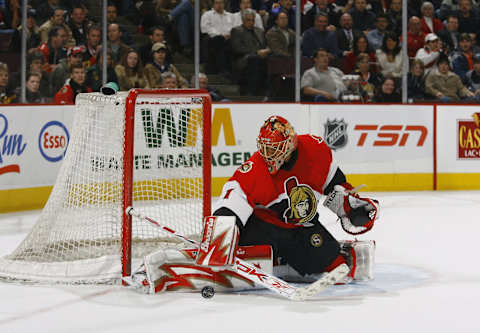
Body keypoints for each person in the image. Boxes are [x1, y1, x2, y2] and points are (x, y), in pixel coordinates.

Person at [213, 115, 379, 280]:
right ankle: (279, 261)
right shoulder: (256, 167)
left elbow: (334, 184)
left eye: (273, 149)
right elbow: (234, 197)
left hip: (302, 228)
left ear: (290, 144)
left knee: (340, 271)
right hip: (264, 228)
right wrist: (221, 233)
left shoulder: (315, 149)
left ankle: (285, 261)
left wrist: (351, 207)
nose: (266, 154)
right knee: (241, 259)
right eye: (264, 148)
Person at [231, 9, 271, 96]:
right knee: (255, 59)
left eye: (253, 20)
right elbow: (237, 48)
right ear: (243, 20)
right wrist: (257, 52)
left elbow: (266, 44)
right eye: (248, 20)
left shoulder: (259, 31)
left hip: (261, 56)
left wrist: (267, 50)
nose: (251, 22)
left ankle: (268, 90)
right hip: (244, 58)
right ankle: (252, 91)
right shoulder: (237, 31)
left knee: (272, 59)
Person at [200, 0, 235, 75]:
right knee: (219, 40)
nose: (219, 5)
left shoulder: (230, 16)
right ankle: (222, 68)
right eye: (217, 3)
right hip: (213, 39)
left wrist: (228, 35)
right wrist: (220, 35)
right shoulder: (207, 15)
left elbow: (234, 28)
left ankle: (227, 69)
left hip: (229, 38)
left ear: (224, 4)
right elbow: (205, 28)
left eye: (221, 3)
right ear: (213, 4)